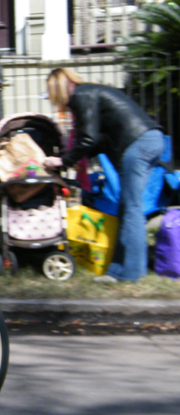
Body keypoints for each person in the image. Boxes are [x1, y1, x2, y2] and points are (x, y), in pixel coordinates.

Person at [43, 67, 164, 283]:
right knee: (128, 208)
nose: (54, 100)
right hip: (148, 141)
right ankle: (117, 271)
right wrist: (69, 155)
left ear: (57, 88)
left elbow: (88, 139)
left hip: (138, 145)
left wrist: (63, 161)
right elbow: (98, 139)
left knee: (132, 208)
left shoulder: (81, 96)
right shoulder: (89, 92)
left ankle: (132, 273)